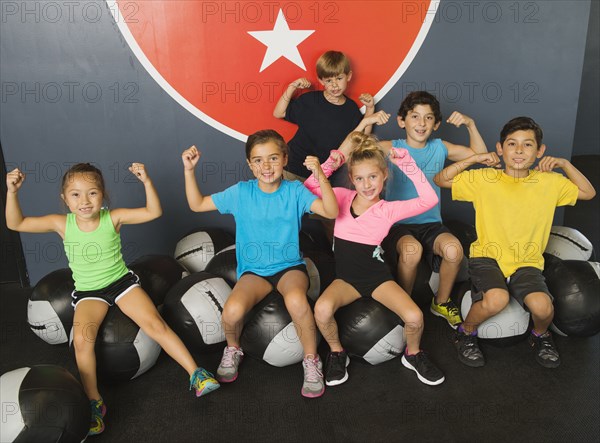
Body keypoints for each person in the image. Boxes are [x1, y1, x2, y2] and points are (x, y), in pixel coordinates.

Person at [5, 163, 219, 436]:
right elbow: (16, 223)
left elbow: (154, 211)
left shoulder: (112, 218)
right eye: (76, 195)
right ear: (64, 198)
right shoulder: (62, 224)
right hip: (89, 293)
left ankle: (196, 373)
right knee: (83, 341)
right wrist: (12, 192)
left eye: (92, 193)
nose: (84, 201)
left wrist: (146, 182)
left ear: (103, 195)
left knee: (155, 324)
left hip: (122, 285)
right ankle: (95, 402)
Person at [181, 129, 338, 398]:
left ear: (285, 159)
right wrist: (189, 171)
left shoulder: (294, 191)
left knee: (297, 302)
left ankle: (311, 360)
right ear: (249, 164)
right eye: (258, 160)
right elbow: (196, 204)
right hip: (254, 272)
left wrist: (321, 176)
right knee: (231, 312)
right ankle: (232, 349)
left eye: (273, 158)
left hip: (289, 268)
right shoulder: (241, 193)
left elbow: (332, 211)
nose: (266, 166)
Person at [433, 116, 596, 368]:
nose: (519, 151)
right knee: (496, 299)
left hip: (527, 260)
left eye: (528, 145)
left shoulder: (549, 182)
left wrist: (564, 164)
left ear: (540, 151)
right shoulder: (485, 179)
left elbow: (588, 192)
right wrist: (474, 159)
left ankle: (540, 335)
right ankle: (465, 332)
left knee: (543, 308)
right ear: (500, 149)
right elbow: (441, 180)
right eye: (511, 144)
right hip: (488, 257)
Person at [304, 132, 445, 387]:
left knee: (414, 316)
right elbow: (310, 188)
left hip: (378, 279)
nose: (367, 184)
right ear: (351, 180)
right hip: (346, 279)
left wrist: (408, 165)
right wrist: (330, 163)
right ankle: (337, 352)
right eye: (359, 178)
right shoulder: (340, 197)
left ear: (384, 175)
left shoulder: (388, 210)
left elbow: (430, 199)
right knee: (322, 310)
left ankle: (412, 354)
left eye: (372, 177)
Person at [379, 91, 488, 329]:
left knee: (454, 250)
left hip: (431, 224)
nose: (421, 123)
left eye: (428, 118)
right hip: (399, 224)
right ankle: (403, 304)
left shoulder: (440, 147)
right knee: (411, 251)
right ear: (401, 121)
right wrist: (367, 121)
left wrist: (471, 124)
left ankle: (440, 302)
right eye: (415, 116)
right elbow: (356, 151)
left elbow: (479, 155)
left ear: (436, 124)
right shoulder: (391, 148)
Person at [273, 50, 376, 185]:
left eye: (339, 78)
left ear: (348, 76)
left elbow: (361, 137)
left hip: (323, 175)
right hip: (293, 168)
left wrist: (370, 109)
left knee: (318, 206)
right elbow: (278, 113)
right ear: (321, 80)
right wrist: (292, 87)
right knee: (290, 205)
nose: (334, 85)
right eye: (328, 80)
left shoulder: (351, 109)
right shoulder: (310, 100)